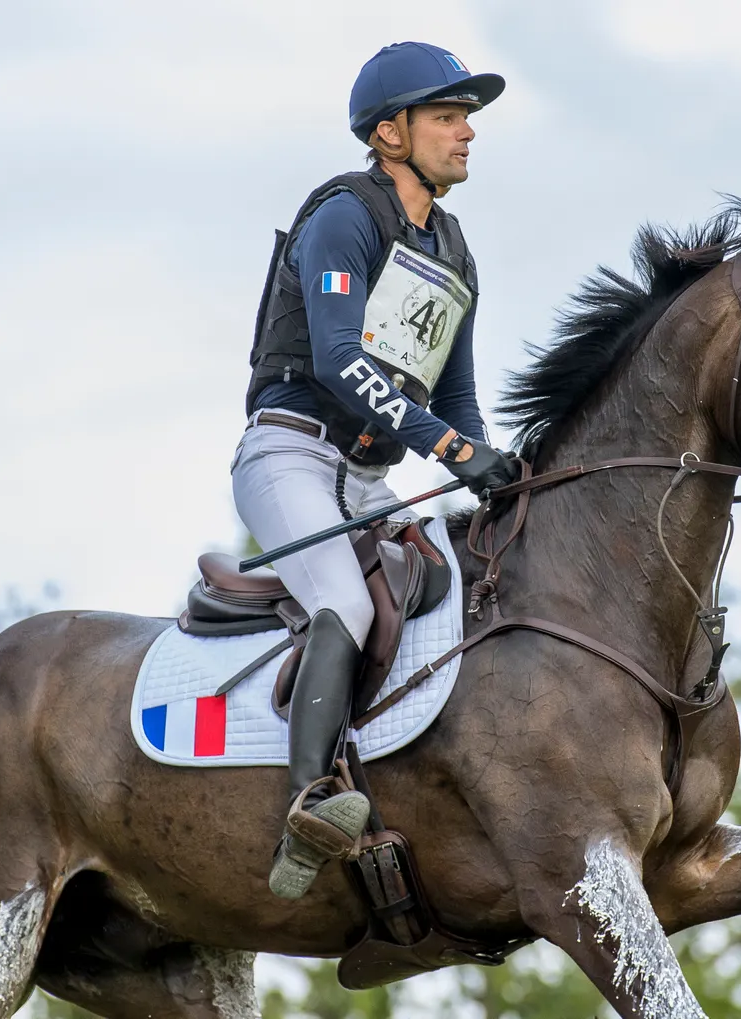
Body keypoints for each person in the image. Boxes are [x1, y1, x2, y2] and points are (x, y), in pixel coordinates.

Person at [234, 41, 519, 900]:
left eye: (467, 118)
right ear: (391, 133)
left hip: (365, 477)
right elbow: (335, 358)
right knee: (348, 603)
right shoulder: (343, 216)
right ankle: (310, 804)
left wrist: (492, 469)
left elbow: (457, 394)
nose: (467, 133)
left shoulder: (454, 247)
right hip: (288, 450)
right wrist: (449, 450)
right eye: (447, 117)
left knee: (452, 582)